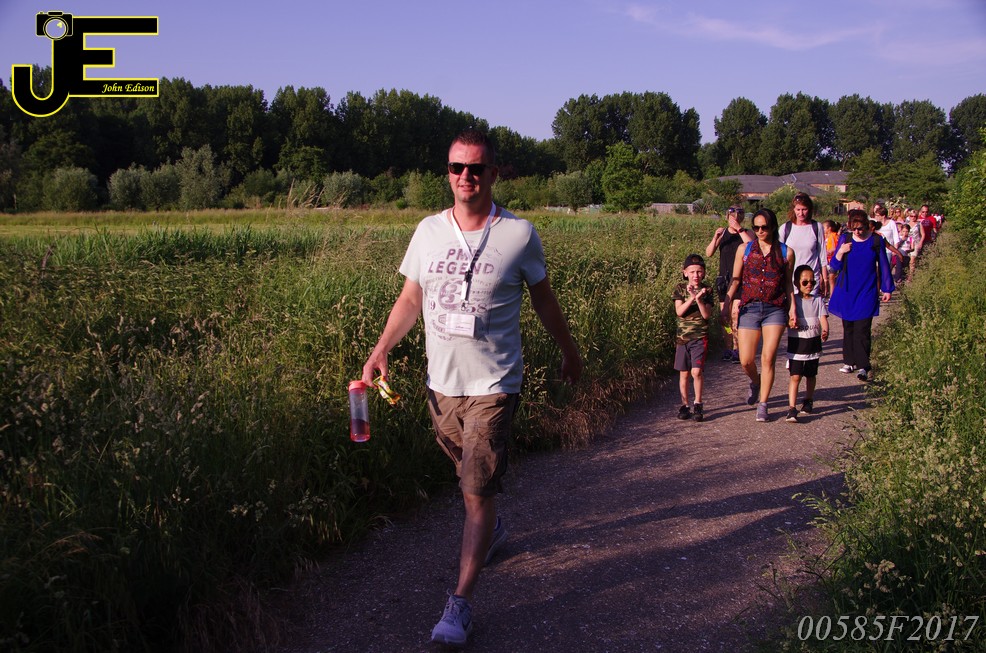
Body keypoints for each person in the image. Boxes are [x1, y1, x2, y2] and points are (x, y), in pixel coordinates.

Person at [361, 128, 583, 647]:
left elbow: (544, 300)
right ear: (448, 174)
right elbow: (411, 298)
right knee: (467, 476)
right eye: (457, 167)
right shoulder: (428, 231)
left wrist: (570, 351)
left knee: (476, 488)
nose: (466, 176)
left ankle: (459, 604)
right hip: (442, 384)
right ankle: (493, 529)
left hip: (495, 382)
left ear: (494, 174)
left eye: (476, 168)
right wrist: (381, 348)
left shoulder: (519, 234)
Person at [724, 208, 797, 422]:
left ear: (773, 227)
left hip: (775, 308)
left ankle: (763, 404)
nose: (760, 231)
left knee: (768, 357)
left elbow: (788, 284)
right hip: (750, 307)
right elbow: (736, 280)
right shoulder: (744, 249)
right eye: (756, 227)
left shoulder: (786, 252)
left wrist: (793, 308)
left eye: (764, 227)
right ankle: (756, 382)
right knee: (746, 359)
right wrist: (727, 304)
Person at [828, 209, 894, 382]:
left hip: (867, 290)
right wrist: (841, 251)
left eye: (861, 228)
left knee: (862, 329)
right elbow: (834, 266)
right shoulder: (846, 239)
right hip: (847, 290)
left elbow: (884, 265)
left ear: (867, 226)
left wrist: (887, 288)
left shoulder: (876, 241)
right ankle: (849, 361)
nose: (857, 231)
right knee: (848, 327)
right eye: (854, 228)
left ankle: (863, 365)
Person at [705, 205, 751, 362]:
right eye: (732, 216)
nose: (735, 218)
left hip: (740, 279)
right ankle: (728, 347)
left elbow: (752, 247)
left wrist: (739, 229)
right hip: (724, 280)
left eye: (739, 215)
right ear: (727, 217)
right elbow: (709, 253)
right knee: (725, 318)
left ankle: (737, 348)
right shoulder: (723, 233)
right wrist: (715, 238)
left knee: (736, 315)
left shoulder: (746, 233)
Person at [672, 254, 714, 422]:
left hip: (699, 337)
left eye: (699, 271)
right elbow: (679, 311)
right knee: (684, 374)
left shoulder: (707, 290)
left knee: (696, 372)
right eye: (692, 272)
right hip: (683, 338)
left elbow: (706, 315)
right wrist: (691, 298)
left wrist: (700, 299)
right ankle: (685, 405)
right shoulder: (680, 288)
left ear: (703, 272)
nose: (696, 275)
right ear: (685, 273)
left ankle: (698, 403)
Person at [786, 265, 829, 423]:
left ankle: (808, 400)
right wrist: (790, 322)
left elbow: (823, 318)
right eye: (805, 282)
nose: (809, 284)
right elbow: (788, 319)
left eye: (812, 282)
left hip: (813, 345)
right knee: (795, 376)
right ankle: (792, 408)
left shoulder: (818, 300)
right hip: (797, 346)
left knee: (811, 375)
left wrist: (825, 330)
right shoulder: (792, 302)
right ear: (796, 283)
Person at [780, 192, 828, 298]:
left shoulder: (817, 227)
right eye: (798, 209)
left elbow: (822, 255)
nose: (801, 213)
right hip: (791, 280)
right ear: (793, 209)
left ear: (809, 209)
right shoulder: (785, 228)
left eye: (804, 209)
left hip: (811, 281)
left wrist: (825, 279)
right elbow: (779, 255)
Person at [822, 220, 840, 299]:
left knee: (831, 279)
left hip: (832, 260)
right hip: (826, 260)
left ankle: (832, 297)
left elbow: (834, 248)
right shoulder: (825, 236)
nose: (823, 229)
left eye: (824, 228)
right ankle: (825, 294)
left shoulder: (833, 236)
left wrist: (828, 252)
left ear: (829, 228)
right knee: (824, 278)